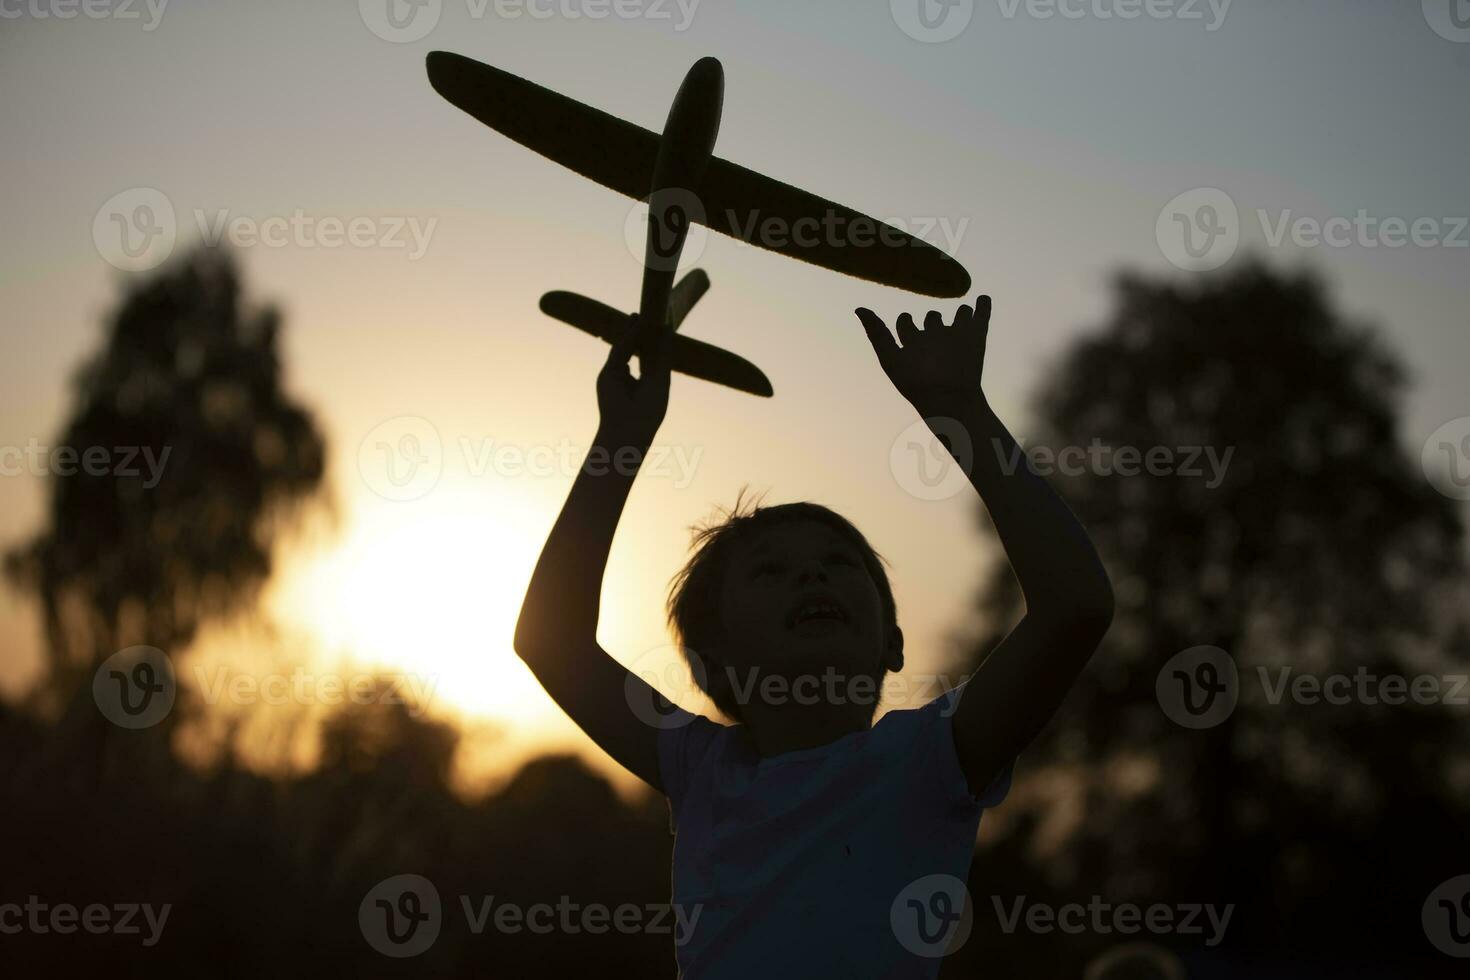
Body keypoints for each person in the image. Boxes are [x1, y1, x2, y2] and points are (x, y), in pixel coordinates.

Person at [513, 295, 1114, 977]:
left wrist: (961, 413)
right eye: (770, 571)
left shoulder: (930, 759)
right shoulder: (702, 769)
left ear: (892, 644)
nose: (810, 577)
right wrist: (620, 438)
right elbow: (551, 640)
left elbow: (1074, 606)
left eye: (838, 563)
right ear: (716, 663)